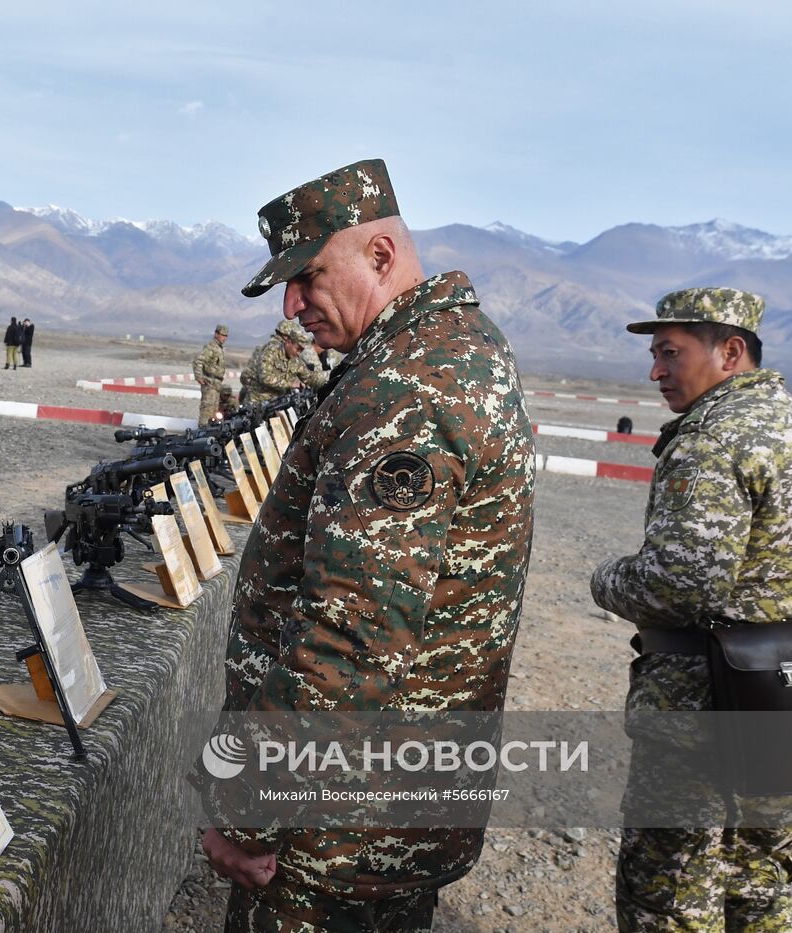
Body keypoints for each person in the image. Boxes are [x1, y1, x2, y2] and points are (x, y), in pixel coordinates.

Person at [203, 158, 536, 931]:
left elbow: (347, 640)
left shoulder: (407, 390)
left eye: (309, 276)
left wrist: (250, 811)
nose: (292, 305)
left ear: (380, 256)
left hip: (335, 836)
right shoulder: (449, 350)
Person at [590, 288, 792, 932]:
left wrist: (606, 579)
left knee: (670, 894)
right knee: (759, 890)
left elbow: (678, 586)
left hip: (700, 715)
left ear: (731, 352)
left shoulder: (714, 436)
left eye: (669, 353)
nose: (655, 370)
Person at [238, 319, 315, 406]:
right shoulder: (271, 350)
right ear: (287, 338)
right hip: (259, 400)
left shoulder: (272, 349)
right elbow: (263, 377)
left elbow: (307, 375)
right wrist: (290, 384)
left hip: (271, 399)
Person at [193, 324, 229, 423]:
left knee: (214, 413)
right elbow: (198, 361)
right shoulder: (211, 347)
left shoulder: (219, 348)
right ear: (216, 334)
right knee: (207, 411)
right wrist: (199, 376)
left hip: (216, 385)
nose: (224, 338)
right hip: (209, 383)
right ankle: (202, 432)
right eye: (222, 335)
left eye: (226, 336)